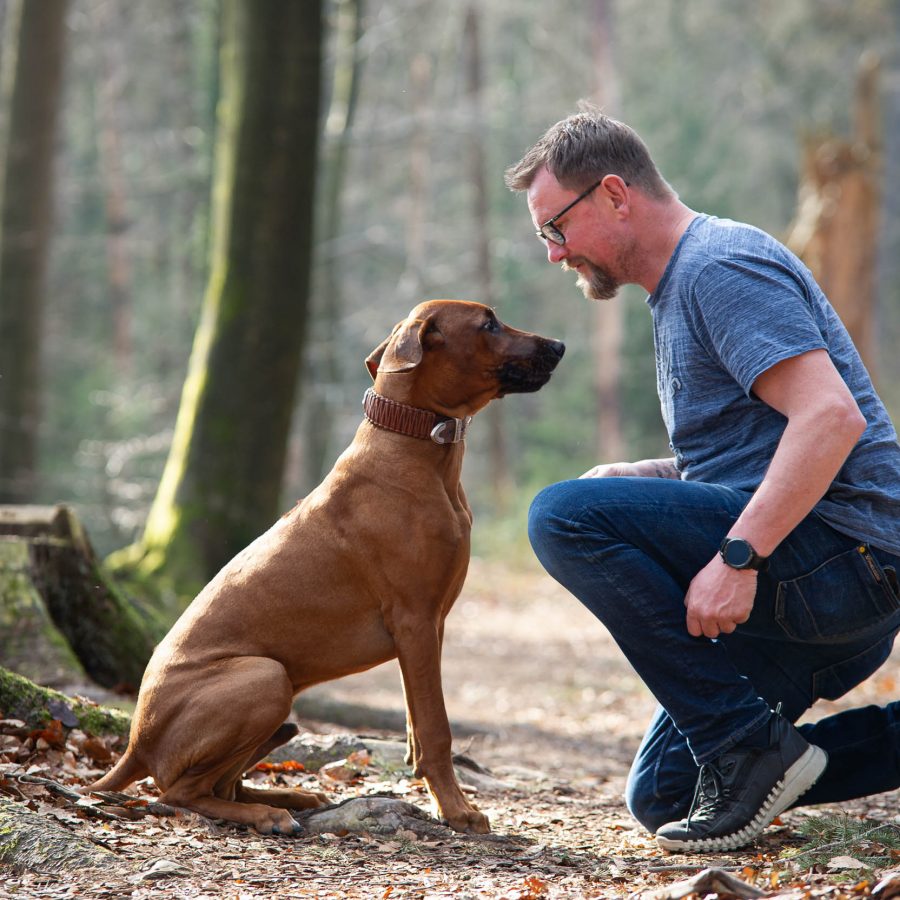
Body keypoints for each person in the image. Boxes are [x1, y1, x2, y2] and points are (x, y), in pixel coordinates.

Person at [506, 104, 900, 853]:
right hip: (824, 578)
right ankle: (757, 747)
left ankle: (747, 744)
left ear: (615, 195)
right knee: (664, 794)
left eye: (555, 228)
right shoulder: (681, 288)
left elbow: (829, 419)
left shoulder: (719, 267)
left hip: (847, 560)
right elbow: (757, 448)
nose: (554, 254)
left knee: (562, 517)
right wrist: (649, 473)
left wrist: (736, 558)